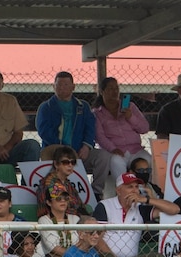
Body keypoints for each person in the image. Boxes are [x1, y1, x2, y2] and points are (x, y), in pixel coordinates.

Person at [93, 171, 177, 257]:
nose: (134, 190)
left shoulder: (140, 208)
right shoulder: (105, 206)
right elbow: (97, 239)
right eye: (129, 187)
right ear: (118, 190)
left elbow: (174, 209)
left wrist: (146, 200)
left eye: (136, 187)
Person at [36, 71, 111, 200]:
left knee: (103, 156)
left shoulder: (83, 106)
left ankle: (96, 193)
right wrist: (64, 150)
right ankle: (50, 194)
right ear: (53, 87)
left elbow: (90, 128)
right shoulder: (45, 107)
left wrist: (86, 146)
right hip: (54, 154)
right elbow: (44, 131)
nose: (62, 88)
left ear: (73, 87)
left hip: (80, 152)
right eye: (59, 85)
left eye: (66, 84)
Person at [92, 76, 151, 178]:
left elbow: (145, 128)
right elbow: (100, 137)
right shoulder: (97, 113)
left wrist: (130, 117)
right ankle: (123, 189)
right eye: (110, 89)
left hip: (136, 150)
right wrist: (113, 149)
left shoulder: (130, 107)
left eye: (116, 88)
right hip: (115, 152)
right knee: (116, 161)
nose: (114, 92)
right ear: (102, 92)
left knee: (148, 160)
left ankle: (148, 190)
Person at [36, 145, 89, 218]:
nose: (70, 165)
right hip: (54, 222)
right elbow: (60, 209)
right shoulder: (50, 182)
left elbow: (80, 205)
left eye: (73, 162)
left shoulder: (68, 183)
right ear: (56, 164)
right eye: (65, 162)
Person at [38, 180, 80, 257]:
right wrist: (75, 256)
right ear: (49, 202)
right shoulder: (43, 221)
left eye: (66, 198)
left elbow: (81, 242)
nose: (63, 201)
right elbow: (51, 247)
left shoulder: (75, 218)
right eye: (58, 198)